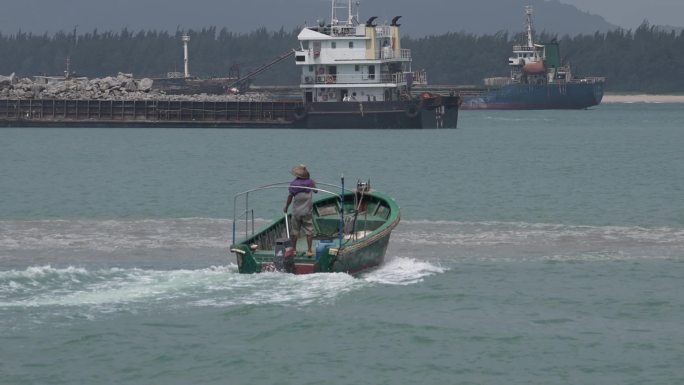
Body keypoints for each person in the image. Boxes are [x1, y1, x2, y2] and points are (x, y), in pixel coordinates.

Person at [283, 164, 317, 257]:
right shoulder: (310, 183)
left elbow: (290, 197)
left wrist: (286, 207)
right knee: (309, 232)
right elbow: (316, 191)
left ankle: (293, 250)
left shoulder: (293, 184)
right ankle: (309, 250)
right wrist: (313, 183)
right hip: (307, 212)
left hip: (296, 212)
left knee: (295, 232)